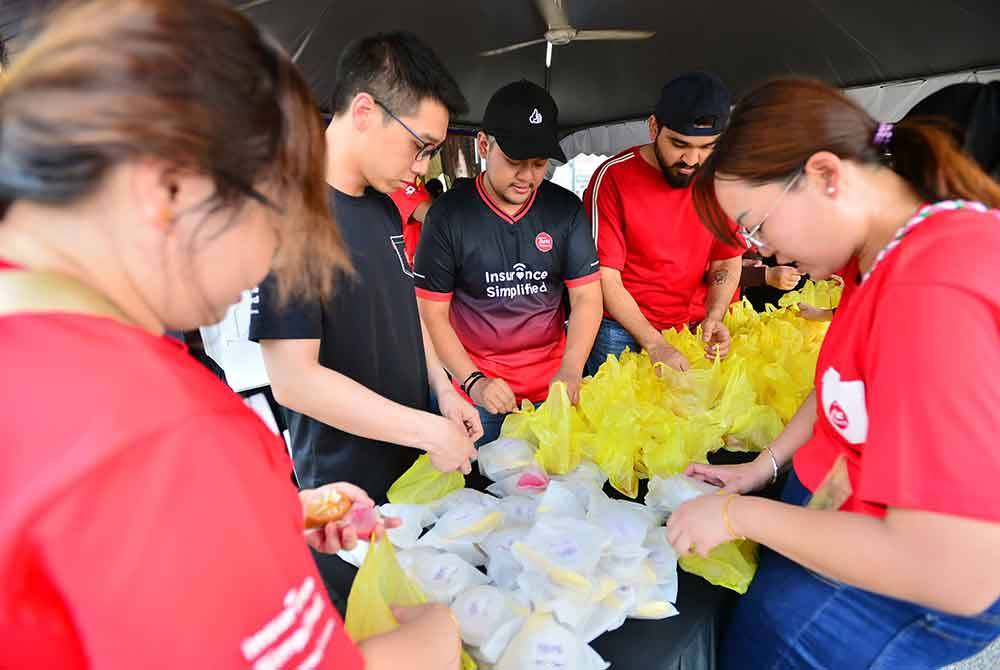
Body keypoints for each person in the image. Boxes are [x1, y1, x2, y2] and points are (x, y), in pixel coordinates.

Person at [0, 1, 462, 668]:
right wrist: (435, 637)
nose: (262, 266)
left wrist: (273, 516)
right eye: (276, 222)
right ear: (171, 189)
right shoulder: (162, 429)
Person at [667, 76, 1000, 669]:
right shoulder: (879, 255)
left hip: (889, 591)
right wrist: (760, 469)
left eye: (757, 225)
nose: (760, 251)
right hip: (848, 520)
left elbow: (955, 571)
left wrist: (736, 515)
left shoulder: (932, 285)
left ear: (825, 175)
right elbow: (841, 387)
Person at [249, 31, 480, 609]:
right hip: (345, 500)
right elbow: (294, 381)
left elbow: (404, 307)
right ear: (363, 111)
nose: (422, 168)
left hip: (409, 476)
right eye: (419, 147)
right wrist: (426, 429)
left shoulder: (381, 205)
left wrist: (442, 390)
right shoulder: (292, 211)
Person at [415, 80, 603, 446]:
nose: (528, 177)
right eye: (515, 162)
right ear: (484, 145)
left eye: (538, 164)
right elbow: (431, 313)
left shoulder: (564, 211)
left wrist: (571, 369)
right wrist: (474, 381)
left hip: (553, 389)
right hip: (478, 392)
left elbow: (586, 298)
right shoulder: (448, 216)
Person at [582, 72, 745, 377]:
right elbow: (604, 276)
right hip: (623, 331)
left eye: (707, 146)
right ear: (654, 127)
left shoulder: (720, 179)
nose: (692, 159)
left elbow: (726, 260)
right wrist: (654, 343)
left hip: (695, 326)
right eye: (679, 143)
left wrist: (715, 315)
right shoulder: (613, 178)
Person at [389, 179, 433, 267]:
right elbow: (432, 215)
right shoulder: (397, 183)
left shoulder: (414, 180)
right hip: (417, 266)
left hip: (429, 257)